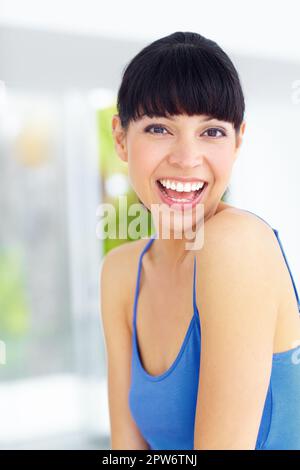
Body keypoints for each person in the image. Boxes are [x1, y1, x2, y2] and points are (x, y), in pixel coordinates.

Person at [99, 31, 300, 450]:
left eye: (211, 132)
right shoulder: (120, 272)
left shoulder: (236, 245)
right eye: (159, 128)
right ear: (120, 137)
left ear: (239, 140)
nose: (187, 158)